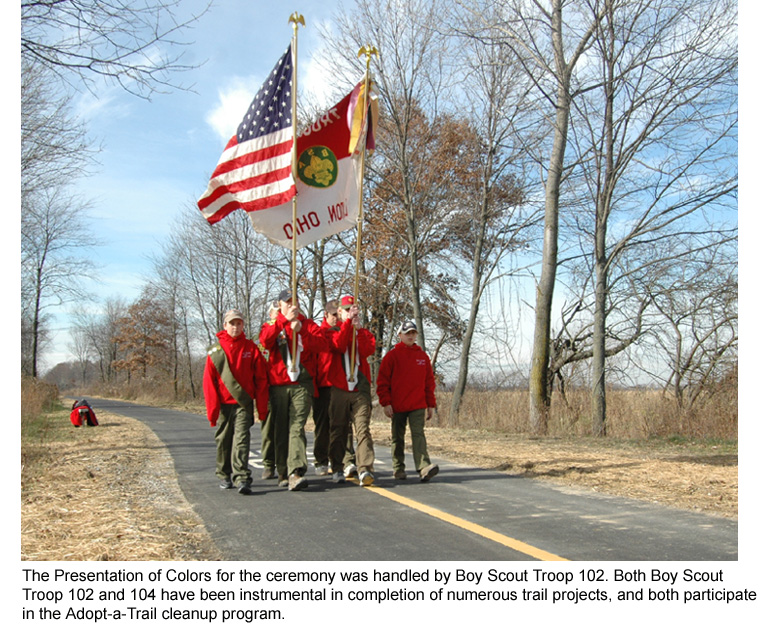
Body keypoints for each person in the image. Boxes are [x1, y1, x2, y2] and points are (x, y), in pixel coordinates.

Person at [259, 289, 329, 491]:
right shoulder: (273, 324)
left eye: (294, 302)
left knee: (297, 426)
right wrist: (283, 322)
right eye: (287, 303)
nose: (292, 306)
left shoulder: (308, 325)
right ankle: (282, 470)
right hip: (279, 384)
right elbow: (265, 341)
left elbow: (322, 345)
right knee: (280, 428)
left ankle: (295, 471)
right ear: (280, 305)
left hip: (302, 383)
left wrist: (303, 332)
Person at [203, 309, 269, 495]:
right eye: (232, 323)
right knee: (224, 439)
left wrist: (261, 408)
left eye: (239, 323)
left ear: (243, 325)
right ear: (225, 325)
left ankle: (242, 477)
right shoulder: (216, 352)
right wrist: (213, 412)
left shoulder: (251, 348)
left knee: (242, 439)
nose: (235, 327)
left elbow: (261, 379)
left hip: (243, 405)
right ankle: (224, 473)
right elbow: (209, 383)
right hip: (224, 404)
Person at [376, 320, 439, 482]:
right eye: (407, 333)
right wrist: (386, 403)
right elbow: (382, 381)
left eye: (413, 333)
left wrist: (431, 404)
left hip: (417, 404)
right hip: (397, 405)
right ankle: (398, 468)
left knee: (418, 433)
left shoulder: (422, 357)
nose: (410, 336)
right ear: (400, 335)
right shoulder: (391, 356)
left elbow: (429, 383)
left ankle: (423, 467)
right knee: (397, 437)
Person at [325, 295, 377, 486]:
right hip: (339, 388)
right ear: (339, 312)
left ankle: (365, 469)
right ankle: (338, 466)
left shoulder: (364, 333)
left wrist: (357, 329)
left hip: (359, 388)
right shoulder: (333, 331)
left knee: (362, 428)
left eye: (353, 310)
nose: (351, 313)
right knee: (338, 429)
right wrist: (347, 325)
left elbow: (365, 351)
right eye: (347, 310)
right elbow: (338, 345)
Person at [312, 299, 340, 475]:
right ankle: (320, 461)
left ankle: (338, 460)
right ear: (326, 315)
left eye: (339, 314)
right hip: (321, 386)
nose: (337, 318)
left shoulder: (343, 333)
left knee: (339, 425)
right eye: (333, 314)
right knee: (322, 426)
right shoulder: (318, 334)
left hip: (339, 387)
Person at [259, 302, 279, 480]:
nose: (279, 315)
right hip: (268, 389)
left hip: (286, 385)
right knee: (268, 430)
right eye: (276, 312)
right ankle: (268, 463)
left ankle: (286, 464)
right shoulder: (266, 332)